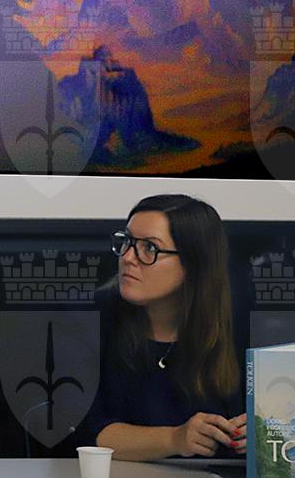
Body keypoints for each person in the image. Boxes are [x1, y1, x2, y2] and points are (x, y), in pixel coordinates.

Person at [81, 194, 244, 461]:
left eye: (150, 248)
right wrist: (175, 439)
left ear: (194, 263)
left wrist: (259, 432)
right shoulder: (84, 318)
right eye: (127, 241)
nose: (128, 257)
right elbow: (82, 433)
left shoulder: (237, 322)